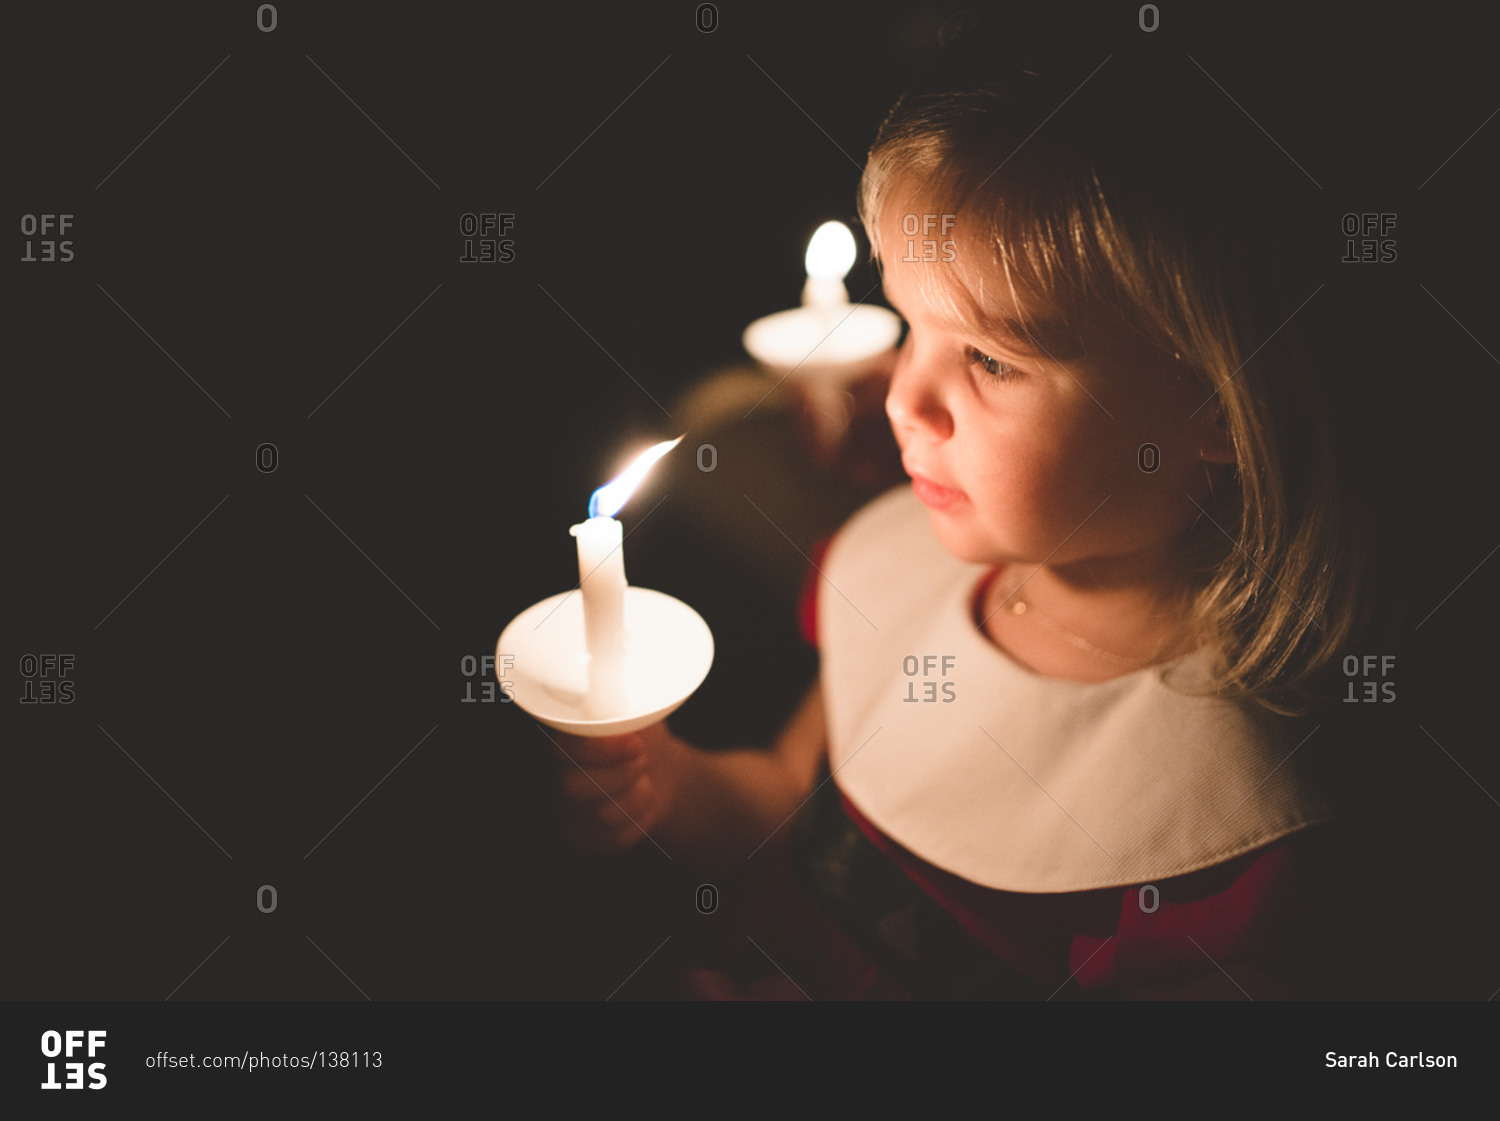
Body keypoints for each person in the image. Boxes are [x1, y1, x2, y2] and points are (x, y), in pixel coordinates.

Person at [549, 15, 1412, 999]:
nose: (905, 398)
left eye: (991, 358)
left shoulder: (1217, 834)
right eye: (913, 323)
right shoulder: (898, 572)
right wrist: (665, 782)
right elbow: (791, 804)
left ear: (1222, 401)